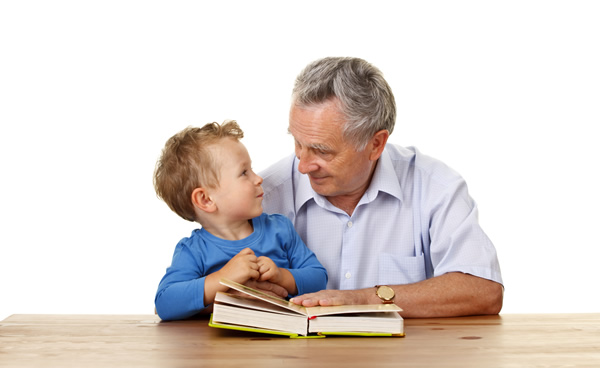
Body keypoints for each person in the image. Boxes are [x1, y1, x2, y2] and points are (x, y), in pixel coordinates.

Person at [260, 57, 503, 318]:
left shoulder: (436, 187)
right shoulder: (264, 194)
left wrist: (364, 299)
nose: (303, 166)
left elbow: (483, 290)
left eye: (321, 150)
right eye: (297, 143)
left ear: (376, 144)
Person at [153, 120, 327, 320]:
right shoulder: (193, 251)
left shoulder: (279, 229)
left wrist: (282, 276)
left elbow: (319, 278)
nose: (258, 178)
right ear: (206, 199)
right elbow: (164, 304)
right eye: (244, 173)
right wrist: (222, 279)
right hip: (219, 348)